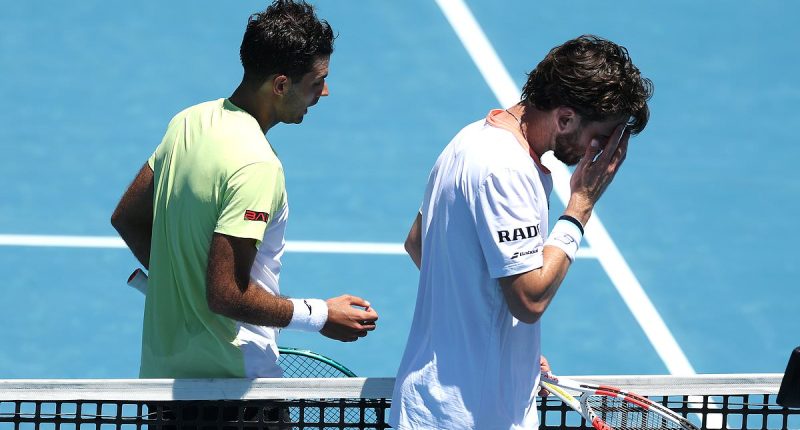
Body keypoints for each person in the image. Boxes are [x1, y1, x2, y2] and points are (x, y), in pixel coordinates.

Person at [390, 35, 653, 429]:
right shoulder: (506, 171)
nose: (601, 152)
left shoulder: (469, 139)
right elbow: (529, 301)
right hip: (469, 418)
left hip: (435, 406)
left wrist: (508, 349)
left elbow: (418, 241)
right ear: (565, 118)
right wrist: (580, 205)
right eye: (601, 136)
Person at [110, 0, 378, 380]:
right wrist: (320, 316)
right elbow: (227, 294)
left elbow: (127, 217)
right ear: (281, 85)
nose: (325, 92)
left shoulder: (189, 122)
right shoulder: (256, 166)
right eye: (316, 82)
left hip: (163, 384)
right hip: (235, 391)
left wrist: (181, 284)